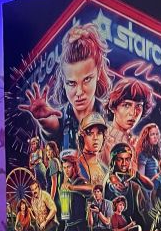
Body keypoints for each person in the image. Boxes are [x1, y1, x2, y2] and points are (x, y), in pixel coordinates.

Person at [18, 23, 113, 151]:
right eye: (71, 83)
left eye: (87, 79)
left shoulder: (111, 117)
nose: (79, 92)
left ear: (98, 72)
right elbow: (52, 127)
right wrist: (43, 120)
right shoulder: (60, 120)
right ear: (63, 80)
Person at [102, 78, 153, 166]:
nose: (133, 113)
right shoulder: (101, 139)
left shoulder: (137, 143)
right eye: (126, 105)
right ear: (113, 107)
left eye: (138, 106)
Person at [104, 142, 152, 231]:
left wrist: (137, 176)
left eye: (127, 159)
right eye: (120, 159)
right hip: (116, 223)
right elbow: (113, 183)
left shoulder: (128, 174)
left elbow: (150, 186)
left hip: (131, 218)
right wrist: (115, 183)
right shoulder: (110, 177)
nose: (124, 163)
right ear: (114, 161)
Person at [55, 150, 87, 231]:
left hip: (80, 226)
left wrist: (73, 188)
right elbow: (65, 212)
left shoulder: (80, 181)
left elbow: (91, 189)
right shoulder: (65, 184)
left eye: (68, 167)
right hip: (69, 227)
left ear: (74, 167)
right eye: (64, 168)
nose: (66, 170)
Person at [75, 112, 109, 187]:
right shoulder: (75, 166)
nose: (95, 138)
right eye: (90, 134)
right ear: (82, 138)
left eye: (99, 133)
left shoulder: (105, 170)